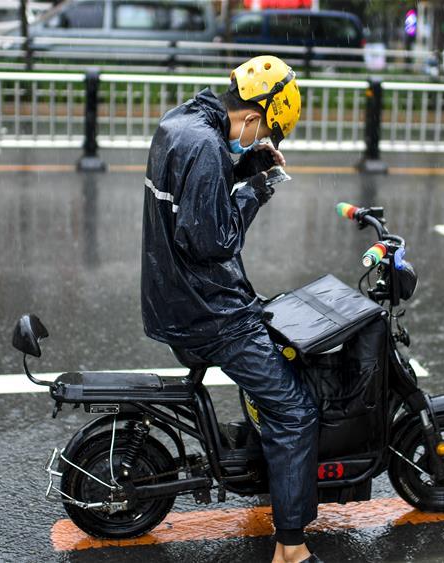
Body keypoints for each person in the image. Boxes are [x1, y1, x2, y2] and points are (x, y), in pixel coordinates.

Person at [140, 56, 320, 563]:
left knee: (279, 362)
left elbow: (201, 183)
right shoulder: (207, 147)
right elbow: (214, 241)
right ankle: (291, 548)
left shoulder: (182, 123)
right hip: (207, 312)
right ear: (253, 118)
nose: (264, 139)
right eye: (269, 133)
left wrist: (248, 164)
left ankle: (271, 474)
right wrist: (259, 189)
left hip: (173, 296)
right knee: (295, 411)